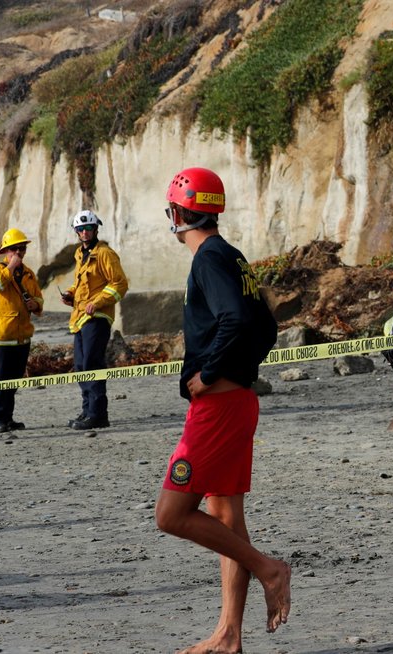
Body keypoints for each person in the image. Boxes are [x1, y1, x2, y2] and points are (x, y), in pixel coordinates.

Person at [154, 166, 290, 653]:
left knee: (170, 515)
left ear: (177, 213)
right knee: (227, 519)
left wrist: (209, 375)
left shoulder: (209, 260)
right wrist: (238, 372)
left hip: (218, 407)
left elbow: (234, 317)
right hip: (239, 401)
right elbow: (267, 328)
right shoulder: (232, 256)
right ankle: (229, 635)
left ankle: (269, 568)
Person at [61, 210, 128, 430]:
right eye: (80, 229)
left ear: (96, 229)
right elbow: (81, 284)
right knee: (81, 365)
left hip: (97, 317)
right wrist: (71, 294)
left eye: (88, 228)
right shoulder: (80, 254)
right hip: (80, 318)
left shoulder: (105, 254)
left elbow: (119, 284)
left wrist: (97, 302)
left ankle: (98, 414)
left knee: (92, 363)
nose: (84, 232)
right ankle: (87, 410)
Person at [0, 228, 43, 434]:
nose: (19, 253)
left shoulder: (29, 274)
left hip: (22, 338)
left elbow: (39, 299)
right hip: (2, 337)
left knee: (12, 381)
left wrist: (35, 305)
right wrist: (12, 265)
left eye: (22, 249)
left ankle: (7, 418)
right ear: (6, 251)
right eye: (15, 249)